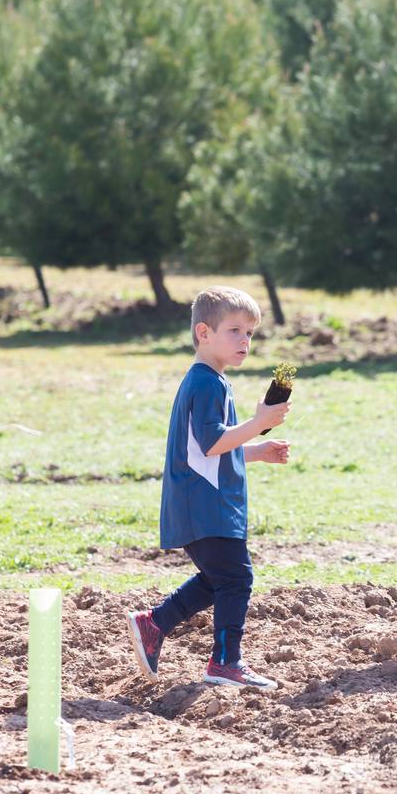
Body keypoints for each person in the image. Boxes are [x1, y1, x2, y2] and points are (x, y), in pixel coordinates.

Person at [125, 287, 291, 687]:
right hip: (206, 505)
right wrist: (259, 421)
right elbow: (213, 442)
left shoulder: (213, 381)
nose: (245, 341)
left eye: (250, 333)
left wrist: (256, 450)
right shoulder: (207, 384)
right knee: (236, 578)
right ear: (204, 332)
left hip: (206, 502)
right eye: (234, 331)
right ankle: (225, 662)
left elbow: (208, 451)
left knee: (220, 577)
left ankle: (154, 623)